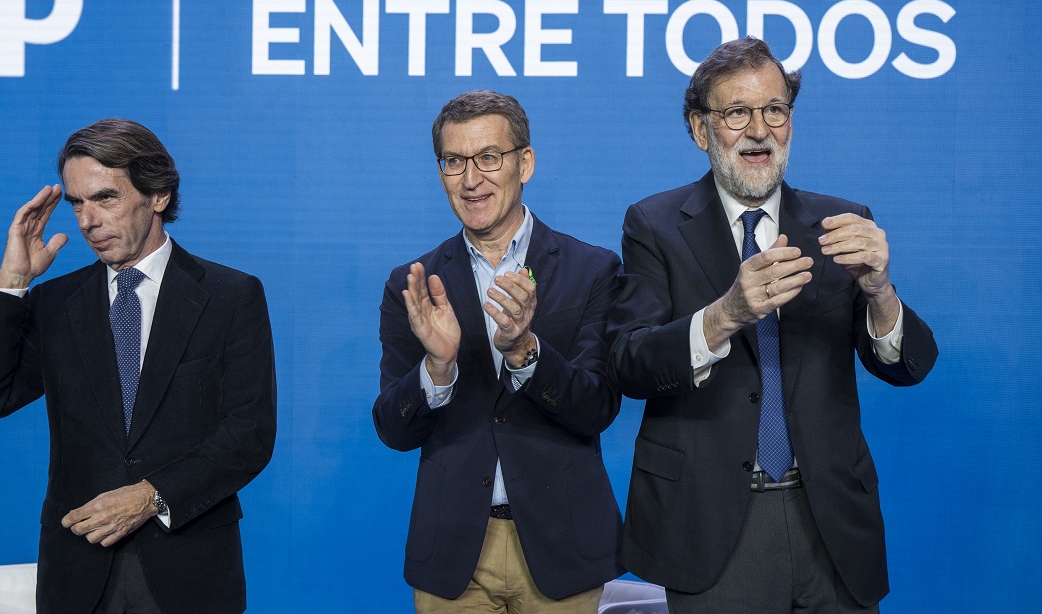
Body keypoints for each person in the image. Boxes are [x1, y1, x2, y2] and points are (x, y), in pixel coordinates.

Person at [607, 37, 938, 614]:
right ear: (699, 128)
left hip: (831, 521)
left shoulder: (842, 224)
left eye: (775, 110)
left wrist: (881, 290)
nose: (759, 129)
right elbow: (629, 362)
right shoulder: (654, 225)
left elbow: (907, 367)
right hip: (711, 524)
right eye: (736, 112)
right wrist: (725, 315)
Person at [0, 118, 277, 614]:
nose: (86, 221)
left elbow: (250, 433)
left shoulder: (231, 296)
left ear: (159, 195)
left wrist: (151, 496)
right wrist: (12, 280)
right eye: (77, 203)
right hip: (78, 575)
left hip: (188, 572)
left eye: (105, 198)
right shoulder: (57, 303)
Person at [373, 90, 623, 613]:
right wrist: (437, 368)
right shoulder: (414, 285)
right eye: (453, 162)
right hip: (454, 553)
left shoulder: (591, 270)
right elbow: (394, 430)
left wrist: (527, 352)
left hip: (562, 547)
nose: (471, 179)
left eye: (489, 158)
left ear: (524, 162)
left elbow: (598, 407)